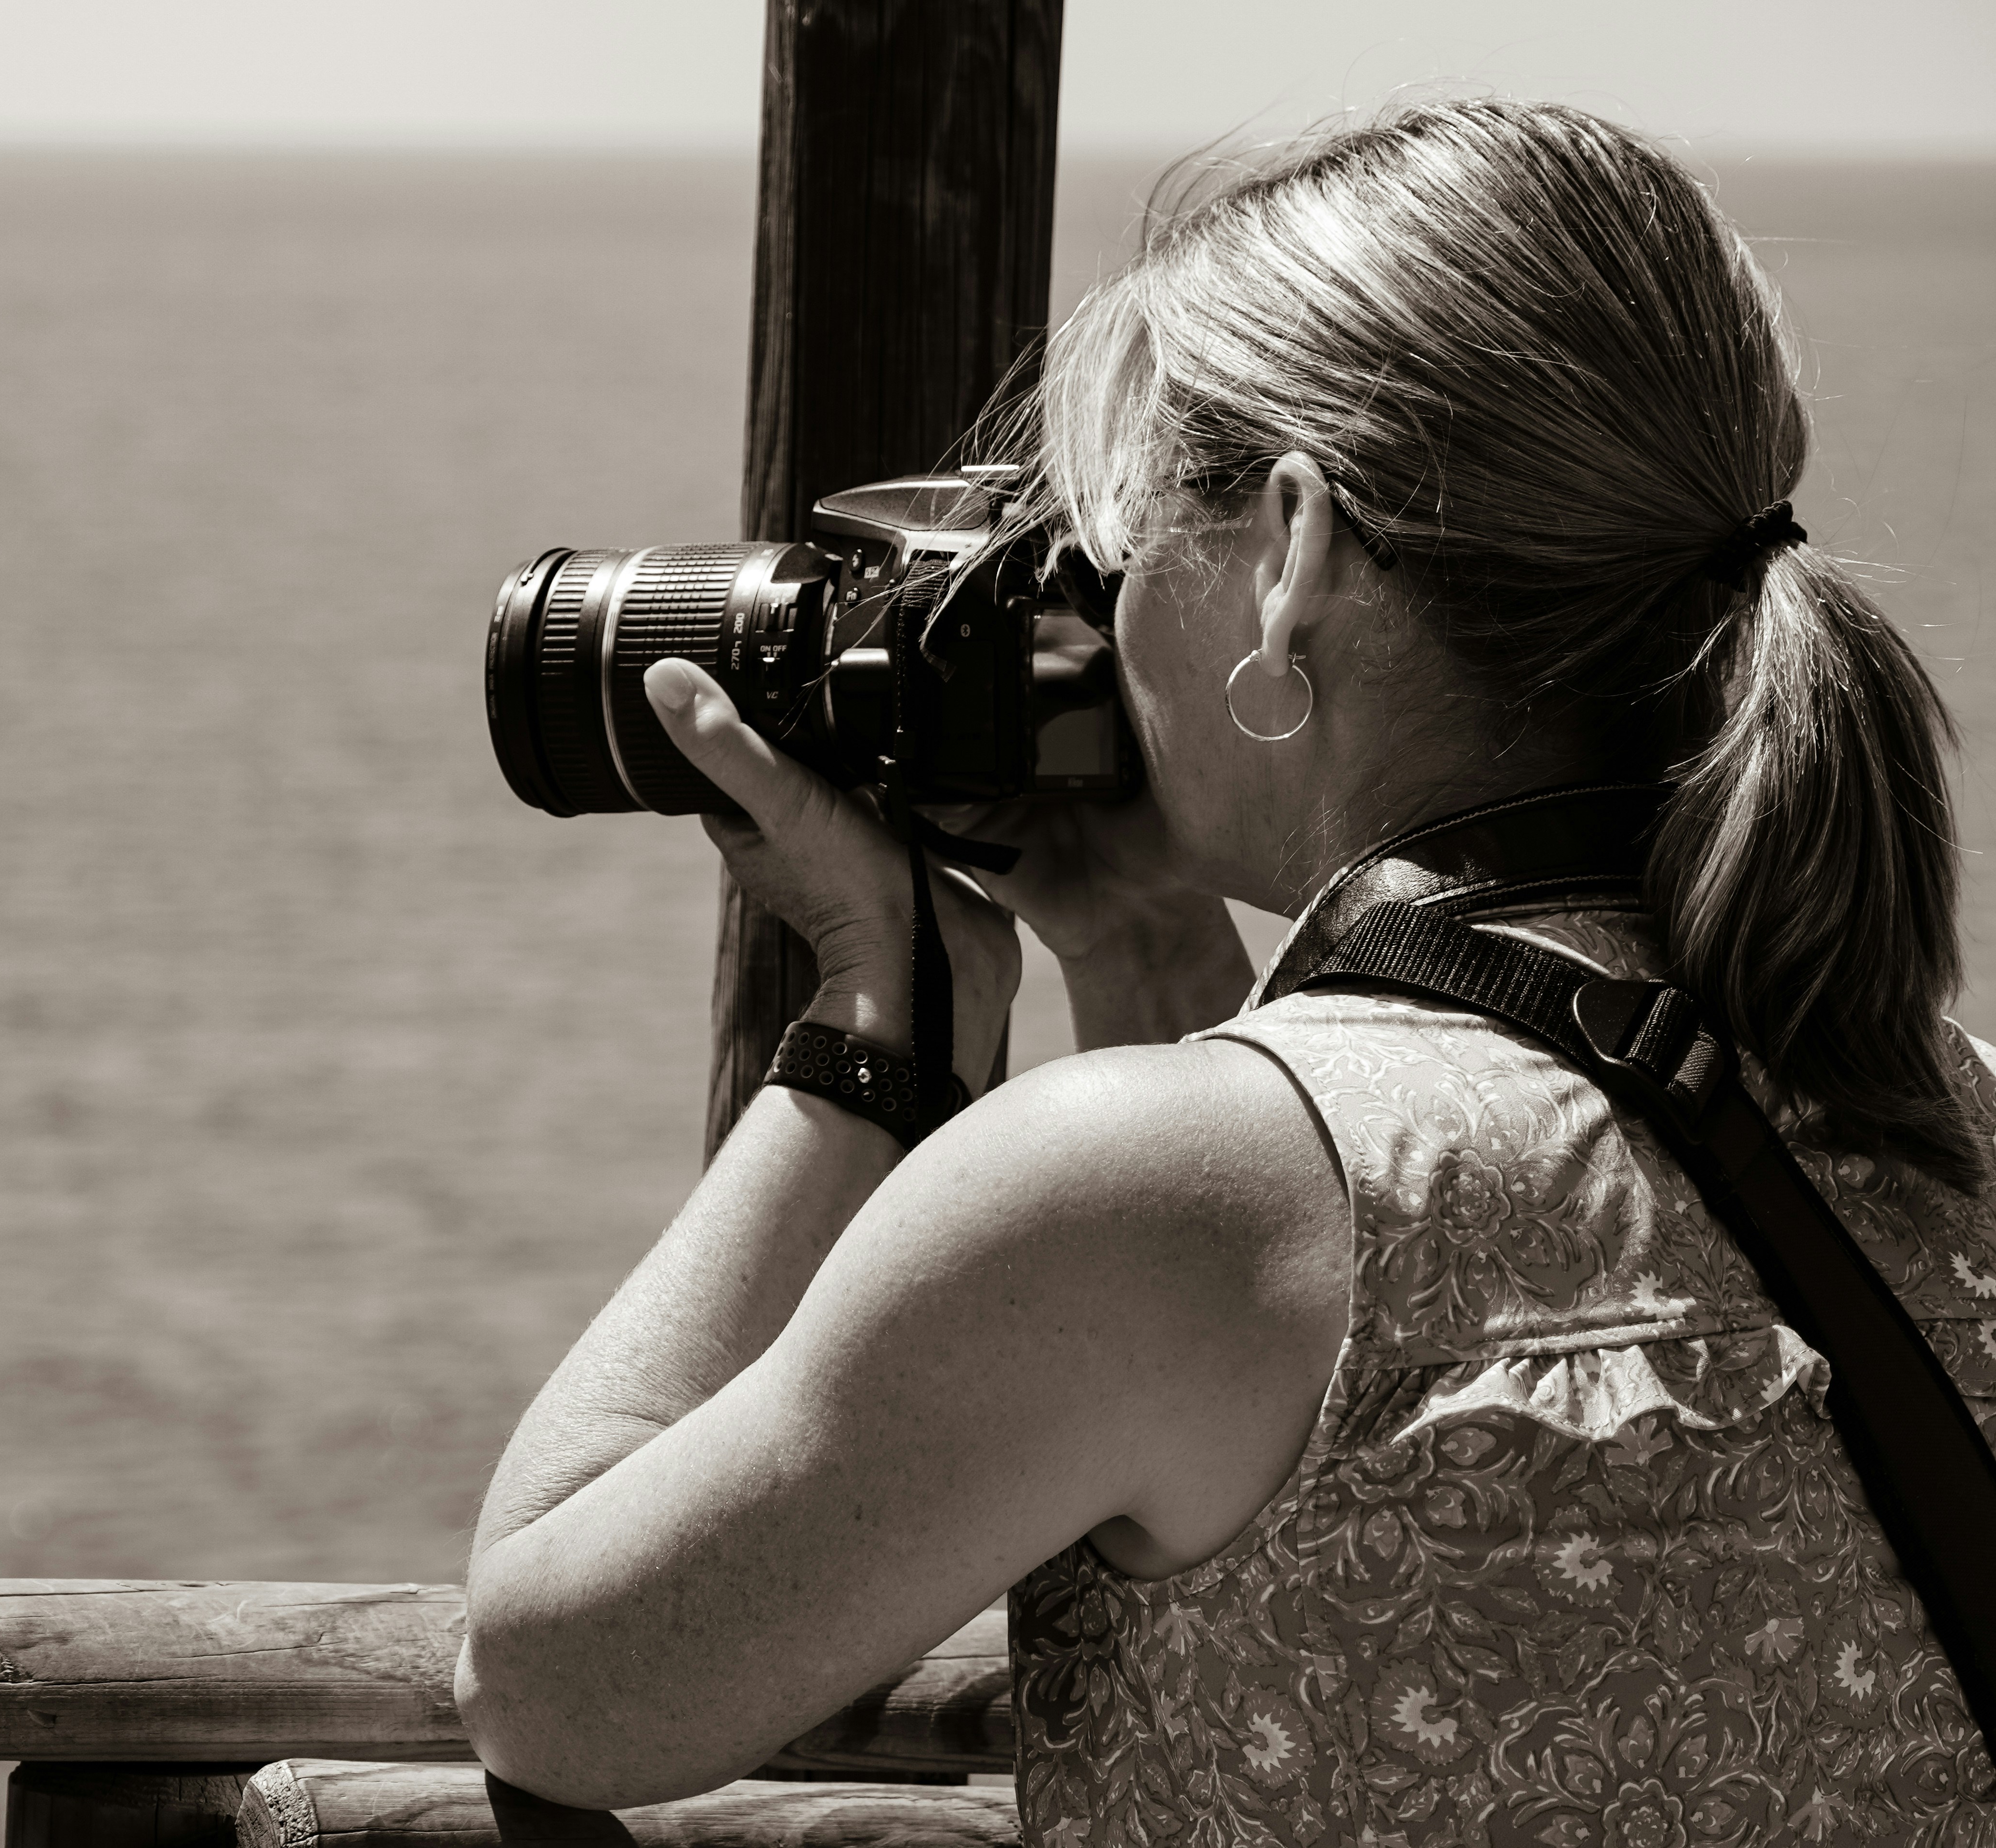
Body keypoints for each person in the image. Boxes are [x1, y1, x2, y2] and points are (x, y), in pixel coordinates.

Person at [452, 98, 1996, 1844]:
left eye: (1118, 535)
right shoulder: (1941, 1104)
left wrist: (877, 1017)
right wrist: (1139, 948)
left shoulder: (1143, 1201)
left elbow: (554, 1681)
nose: (1099, 606)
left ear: (1291, 553)